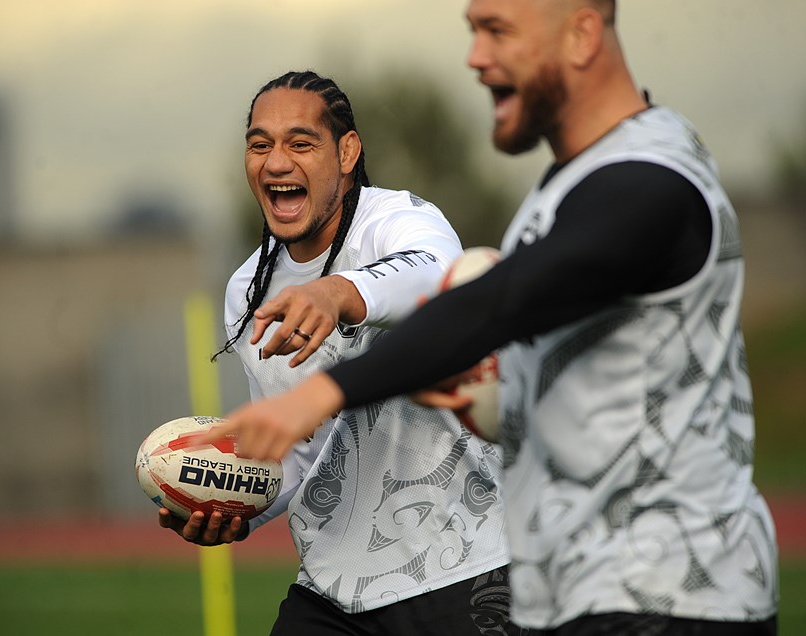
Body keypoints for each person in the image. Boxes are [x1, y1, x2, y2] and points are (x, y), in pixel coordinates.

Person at [206, 3, 780, 635]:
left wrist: (325, 387)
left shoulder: (649, 178)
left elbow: (497, 300)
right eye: (474, 30)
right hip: (575, 587)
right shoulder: (570, 186)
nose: (475, 57)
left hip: (673, 594)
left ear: (582, 33)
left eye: (498, 30)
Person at [160, 70, 518, 636]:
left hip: (465, 566)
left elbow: (441, 274)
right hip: (333, 589)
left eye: (300, 143)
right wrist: (237, 504)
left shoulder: (397, 219)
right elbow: (302, 451)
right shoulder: (248, 291)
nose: (276, 163)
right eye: (260, 145)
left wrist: (338, 292)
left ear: (347, 152)